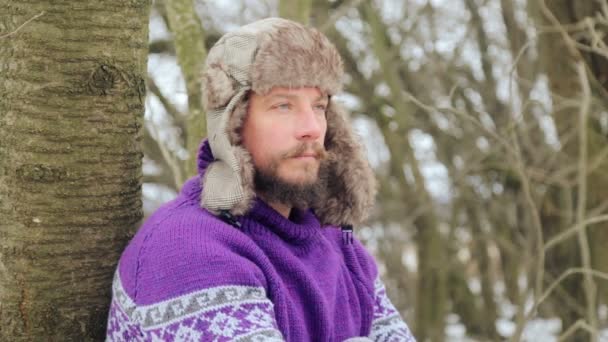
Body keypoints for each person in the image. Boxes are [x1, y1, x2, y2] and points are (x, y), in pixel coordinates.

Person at [106, 17, 416, 342]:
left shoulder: (339, 246)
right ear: (232, 123)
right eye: (283, 105)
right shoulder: (186, 250)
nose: (311, 127)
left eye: (320, 106)